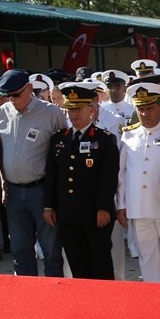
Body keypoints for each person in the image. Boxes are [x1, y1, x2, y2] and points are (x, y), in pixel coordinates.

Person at [0, 69, 69, 277]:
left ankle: (55, 299)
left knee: (51, 251)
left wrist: (55, 195)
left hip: (42, 190)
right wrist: (3, 184)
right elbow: (0, 151)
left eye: (16, 94)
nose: (12, 100)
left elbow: (62, 155)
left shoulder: (51, 113)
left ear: (29, 88)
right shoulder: (3, 112)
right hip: (14, 192)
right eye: (7, 96)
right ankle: (28, 301)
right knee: (20, 251)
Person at [43, 85, 119, 280]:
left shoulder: (104, 140)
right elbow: (52, 176)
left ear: (90, 109)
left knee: (100, 262)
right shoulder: (59, 139)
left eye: (78, 109)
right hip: (68, 213)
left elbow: (108, 178)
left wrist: (103, 207)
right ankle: (85, 306)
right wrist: (49, 206)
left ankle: (105, 304)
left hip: (95, 213)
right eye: (70, 109)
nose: (74, 114)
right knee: (78, 264)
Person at [116, 80, 160, 284]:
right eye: (140, 109)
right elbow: (121, 174)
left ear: (159, 106)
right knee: (147, 259)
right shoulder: (128, 135)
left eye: (149, 108)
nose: (145, 113)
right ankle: (153, 301)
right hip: (138, 208)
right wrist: (121, 205)